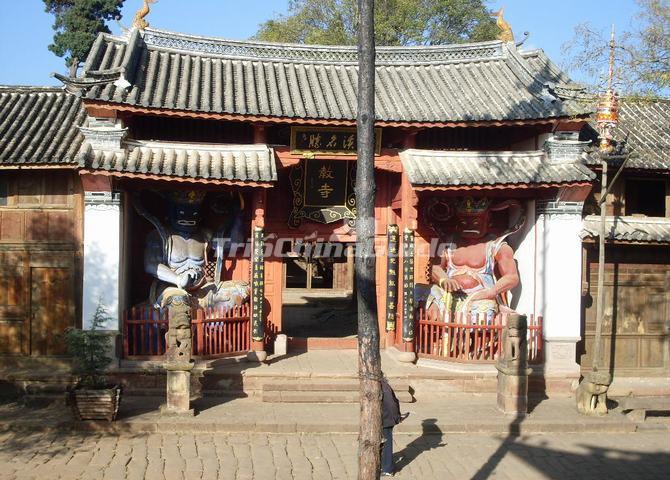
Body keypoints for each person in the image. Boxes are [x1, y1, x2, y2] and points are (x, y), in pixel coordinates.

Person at [381, 375, 406, 477]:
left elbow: (392, 405)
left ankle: (388, 468)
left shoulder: (384, 387)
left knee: (386, 444)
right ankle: (383, 463)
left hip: (386, 419)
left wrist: (396, 418)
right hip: (383, 419)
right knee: (382, 443)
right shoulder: (382, 386)